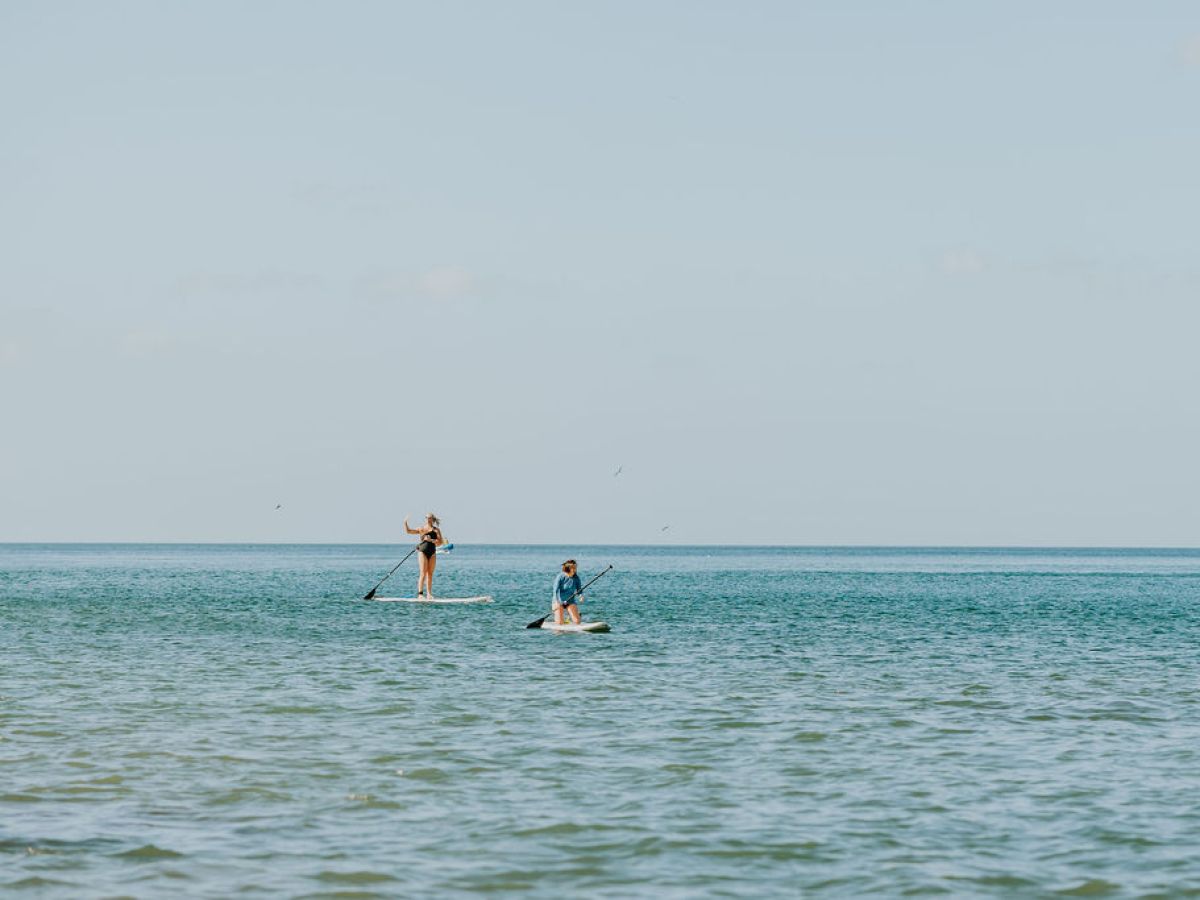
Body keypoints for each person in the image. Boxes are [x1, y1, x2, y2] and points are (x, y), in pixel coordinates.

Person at [404, 513, 445, 598]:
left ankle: (429, 594)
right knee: (423, 573)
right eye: (426, 517)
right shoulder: (421, 528)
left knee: (430, 574)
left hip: (432, 553)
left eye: (430, 518)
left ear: (432, 519)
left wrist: (432, 540)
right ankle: (420, 594)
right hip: (422, 551)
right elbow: (408, 531)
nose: (428, 519)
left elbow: (440, 542)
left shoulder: (436, 530)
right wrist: (405, 523)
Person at [551, 559, 584, 625]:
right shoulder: (560, 576)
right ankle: (562, 618)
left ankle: (570, 617)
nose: (575, 569)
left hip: (570, 601)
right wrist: (558, 602)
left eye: (576, 567)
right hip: (558, 601)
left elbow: (579, 591)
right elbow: (555, 591)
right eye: (573, 568)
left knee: (577, 622)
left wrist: (581, 596)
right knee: (559, 623)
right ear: (568, 568)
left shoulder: (576, 578)